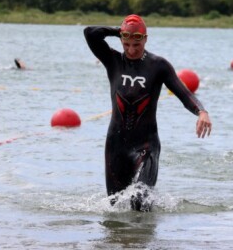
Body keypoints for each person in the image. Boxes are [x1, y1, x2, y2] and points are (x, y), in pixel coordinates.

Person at [83, 14, 212, 211]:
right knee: (115, 207)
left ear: (145, 39)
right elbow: (90, 33)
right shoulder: (113, 60)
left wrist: (201, 111)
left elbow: (183, 93)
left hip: (146, 146)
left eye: (137, 44)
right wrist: (117, 31)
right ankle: (125, 241)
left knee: (139, 201)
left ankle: (144, 240)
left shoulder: (158, 66)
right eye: (126, 44)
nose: (131, 50)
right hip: (116, 146)